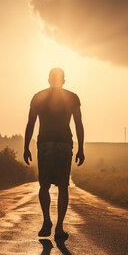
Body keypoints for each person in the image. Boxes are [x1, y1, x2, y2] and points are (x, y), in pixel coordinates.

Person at [24, 67, 85, 240]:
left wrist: (26, 146)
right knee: (63, 187)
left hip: (45, 144)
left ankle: (46, 221)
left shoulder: (38, 97)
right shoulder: (72, 98)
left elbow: (30, 123)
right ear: (64, 80)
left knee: (44, 186)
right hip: (65, 145)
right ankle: (59, 228)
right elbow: (79, 124)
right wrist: (81, 148)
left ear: (49, 79)